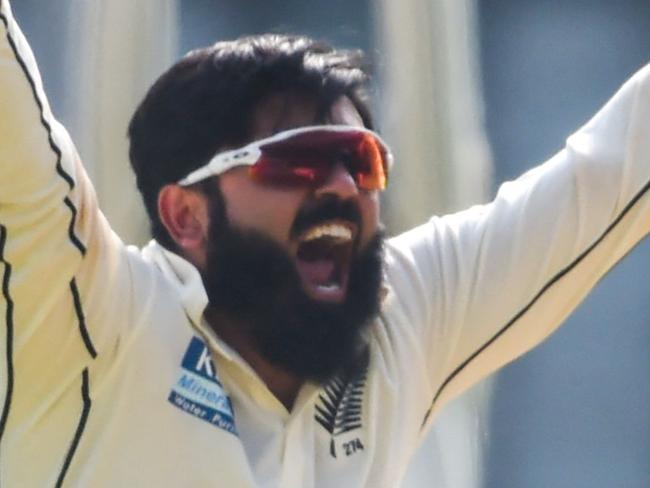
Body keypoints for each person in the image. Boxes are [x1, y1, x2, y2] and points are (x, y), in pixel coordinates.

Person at [1, 0, 648, 486]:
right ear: (185, 215)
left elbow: (612, 169)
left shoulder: (400, 319)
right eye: (299, 160)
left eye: (361, 160)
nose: (343, 186)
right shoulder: (94, 326)